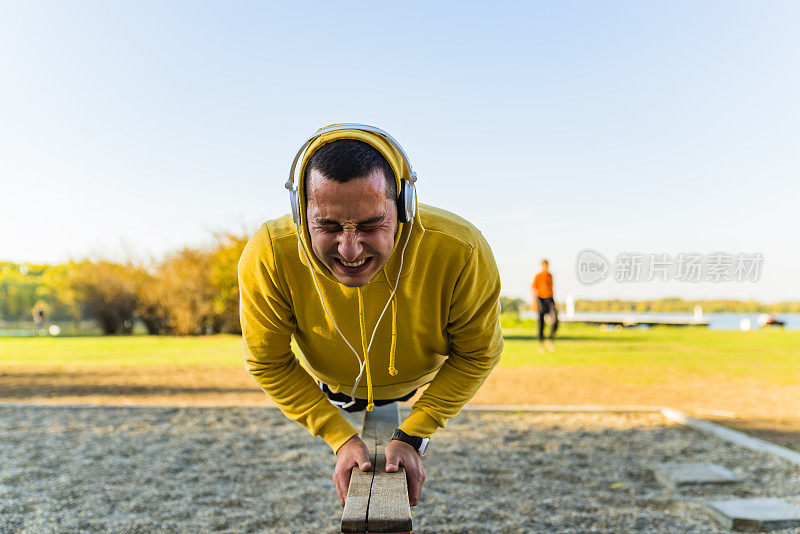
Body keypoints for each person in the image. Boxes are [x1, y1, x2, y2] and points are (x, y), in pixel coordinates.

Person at [238, 124, 503, 508]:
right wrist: (338, 435)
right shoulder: (270, 255)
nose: (349, 249)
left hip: (414, 382)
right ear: (300, 213)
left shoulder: (461, 249)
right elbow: (266, 361)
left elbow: (479, 353)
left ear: (404, 206)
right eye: (328, 226)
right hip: (335, 388)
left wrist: (415, 431)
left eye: (370, 225)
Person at [531, 259, 558, 351]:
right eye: (544, 266)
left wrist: (554, 301)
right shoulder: (538, 276)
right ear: (542, 266)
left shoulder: (550, 275)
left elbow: (552, 288)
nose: (546, 268)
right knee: (541, 322)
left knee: (555, 320)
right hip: (540, 299)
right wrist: (534, 302)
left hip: (550, 299)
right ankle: (541, 343)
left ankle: (550, 339)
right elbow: (534, 289)